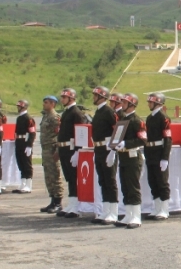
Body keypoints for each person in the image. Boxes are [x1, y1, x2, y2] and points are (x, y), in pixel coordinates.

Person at [113, 93, 147, 228]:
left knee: (133, 187)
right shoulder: (122, 119)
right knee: (125, 187)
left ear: (132, 105)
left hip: (133, 156)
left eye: (125, 102)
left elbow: (143, 140)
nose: (122, 104)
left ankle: (136, 216)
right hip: (123, 157)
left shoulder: (137, 121)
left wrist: (126, 143)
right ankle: (128, 214)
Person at [89, 86, 120, 225]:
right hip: (99, 149)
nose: (93, 97)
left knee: (110, 181)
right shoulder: (98, 111)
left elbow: (117, 131)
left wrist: (113, 150)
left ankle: (113, 212)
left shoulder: (108, 112)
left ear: (102, 96)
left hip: (107, 148)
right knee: (103, 181)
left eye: (95, 95)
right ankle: (106, 210)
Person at [56, 88, 84, 219]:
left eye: (64, 97)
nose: (62, 100)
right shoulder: (67, 112)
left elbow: (80, 133)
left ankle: (76, 206)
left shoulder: (76, 113)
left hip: (71, 149)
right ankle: (72, 203)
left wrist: (78, 150)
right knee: (69, 178)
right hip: (64, 149)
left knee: (74, 178)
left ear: (71, 98)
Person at [145, 92, 173, 221]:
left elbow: (168, 138)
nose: (149, 104)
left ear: (158, 103)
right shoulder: (149, 118)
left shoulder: (164, 117)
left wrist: (165, 157)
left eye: (151, 102)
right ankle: (157, 208)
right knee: (153, 181)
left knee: (162, 182)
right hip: (150, 152)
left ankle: (164, 209)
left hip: (159, 152)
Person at [39, 95, 64, 213]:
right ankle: (52, 200)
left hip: (52, 149)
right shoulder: (45, 116)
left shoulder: (55, 117)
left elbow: (59, 135)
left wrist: (58, 151)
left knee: (55, 175)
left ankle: (58, 202)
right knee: (48, 176)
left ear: (53, 104)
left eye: (47, 102)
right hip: (45, 149)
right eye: (44, 102)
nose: (44, 104)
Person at [13, 99, 36, 194]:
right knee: (20, 164)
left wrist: (29, 145)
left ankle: (28, 184)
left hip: (25, 142)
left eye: (20, 107)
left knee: (27, 164)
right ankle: (22, 183)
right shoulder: (19, 118)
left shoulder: (28, 118)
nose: (18, 108)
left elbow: (32, 133)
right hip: (19, 142)